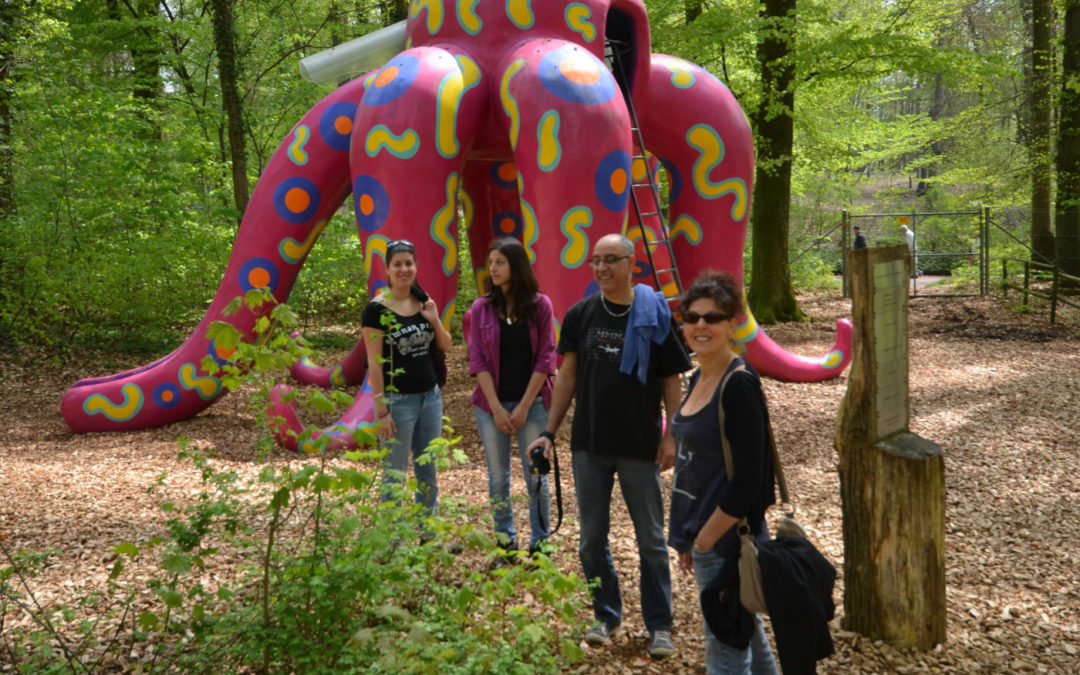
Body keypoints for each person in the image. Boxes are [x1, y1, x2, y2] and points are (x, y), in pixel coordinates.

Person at [527, 233, 691, 659]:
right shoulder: (581, 314)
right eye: (595, 261)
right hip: (590, 444)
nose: (601, 268)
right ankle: (606, 614)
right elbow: (567, 376)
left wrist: (671, 434)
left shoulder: (655, 314)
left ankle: (659, 624)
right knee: (590, 539)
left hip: (640, 445)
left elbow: (671, 379)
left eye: (610, 260)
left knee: (651, 539)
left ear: (630, 263)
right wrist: (549, 431)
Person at [668, 270, 780, 674]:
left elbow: (750, 478)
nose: (700, 325)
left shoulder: (738, 385)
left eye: (712, 317)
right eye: (692, 317)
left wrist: (705, 540)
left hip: (727, 539)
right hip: (704, 534)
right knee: (747, 634)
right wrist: (689, 536)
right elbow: (696, 467)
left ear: (732, 324)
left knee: (725, 654)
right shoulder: (699, 375)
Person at [468, 237, 556, 560]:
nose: (492, 269)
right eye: (491, 262)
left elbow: (546, 359)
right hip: (490, 407)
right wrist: (496, 408)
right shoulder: (481, 308)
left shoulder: (540, 305)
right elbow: (477, 360)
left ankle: (540, 545)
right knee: (497, 478)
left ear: (515, 265)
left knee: (536, 476)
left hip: (532, 405)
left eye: (500, 262)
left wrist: (522, 407)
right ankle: (505, 544)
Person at [362, 239, 453, 519]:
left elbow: (446, 345)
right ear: (388, 269)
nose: (404, 269)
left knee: (428, 471)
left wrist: (434, 319)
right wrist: (381, 410)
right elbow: (374, 363)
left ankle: (428, 532)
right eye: (397, 264)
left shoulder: (423, 301)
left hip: (431, 399)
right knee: (394, 475)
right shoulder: (376, 310)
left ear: (416, 266)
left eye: (409, 263)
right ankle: (393, 539)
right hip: (397, 402)